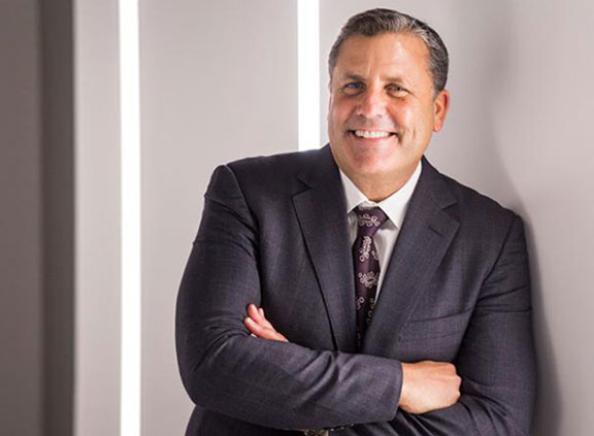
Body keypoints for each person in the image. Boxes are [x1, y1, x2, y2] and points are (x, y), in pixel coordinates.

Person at [175, 8, 536, 436]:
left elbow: (497, 423)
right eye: (353, 86)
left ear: (438, 110)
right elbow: (211, 363)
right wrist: (401, 383)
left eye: (397, 89)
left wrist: (300, 400)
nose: (369, 107)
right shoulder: (247, 192)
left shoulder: (491, 236)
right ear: (330, 97)